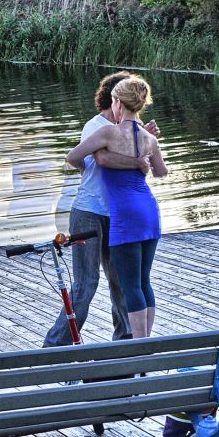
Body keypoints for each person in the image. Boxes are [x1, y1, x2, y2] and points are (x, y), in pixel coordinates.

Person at [46, 70, 159, 347]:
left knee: (123, 282)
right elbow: (92, 158)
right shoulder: (96, 126)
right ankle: (57, 345)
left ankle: (126, 342)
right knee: (86, 284)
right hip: (89, 212)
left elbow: (147, 167)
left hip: (120, 216)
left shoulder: (134, 129)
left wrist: (145, 144)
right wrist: (89, 172)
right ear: (114, 98)